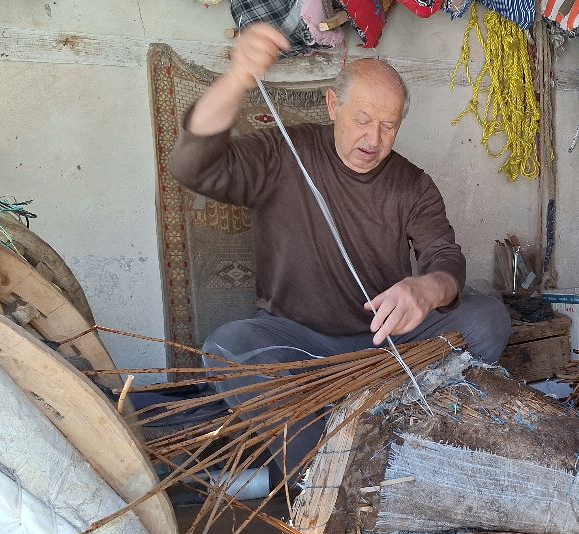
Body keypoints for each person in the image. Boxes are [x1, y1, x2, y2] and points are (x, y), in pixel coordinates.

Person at [168, 23, 512, 480]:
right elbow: (192, 165)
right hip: (301, 344)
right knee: (228, 348)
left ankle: (397, 440)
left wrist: (425, 289)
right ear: (333, 106)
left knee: (488, 319)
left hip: (387, 345)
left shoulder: (413, 184)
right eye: (363, 119)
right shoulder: (283, 152)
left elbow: (446, 258)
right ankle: (327, 476)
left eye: (389, 126)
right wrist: (237, 78)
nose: (374, 139)